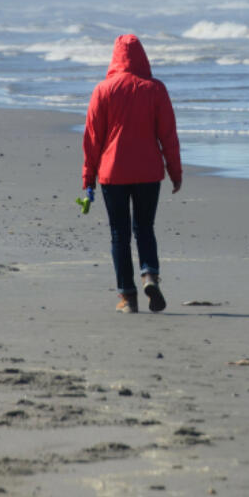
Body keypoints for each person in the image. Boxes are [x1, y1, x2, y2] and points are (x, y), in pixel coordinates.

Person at [82, 34, 182, 313]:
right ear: (142, 57)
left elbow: (92, 139)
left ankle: (128, 297)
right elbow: (168, 136)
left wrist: (88, 179)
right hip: (149, 171)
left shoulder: (103, 90)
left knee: (119, 233)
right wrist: (175, 171)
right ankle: (150, 275)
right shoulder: (156, 89)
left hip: (113, 173)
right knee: (145, 228)